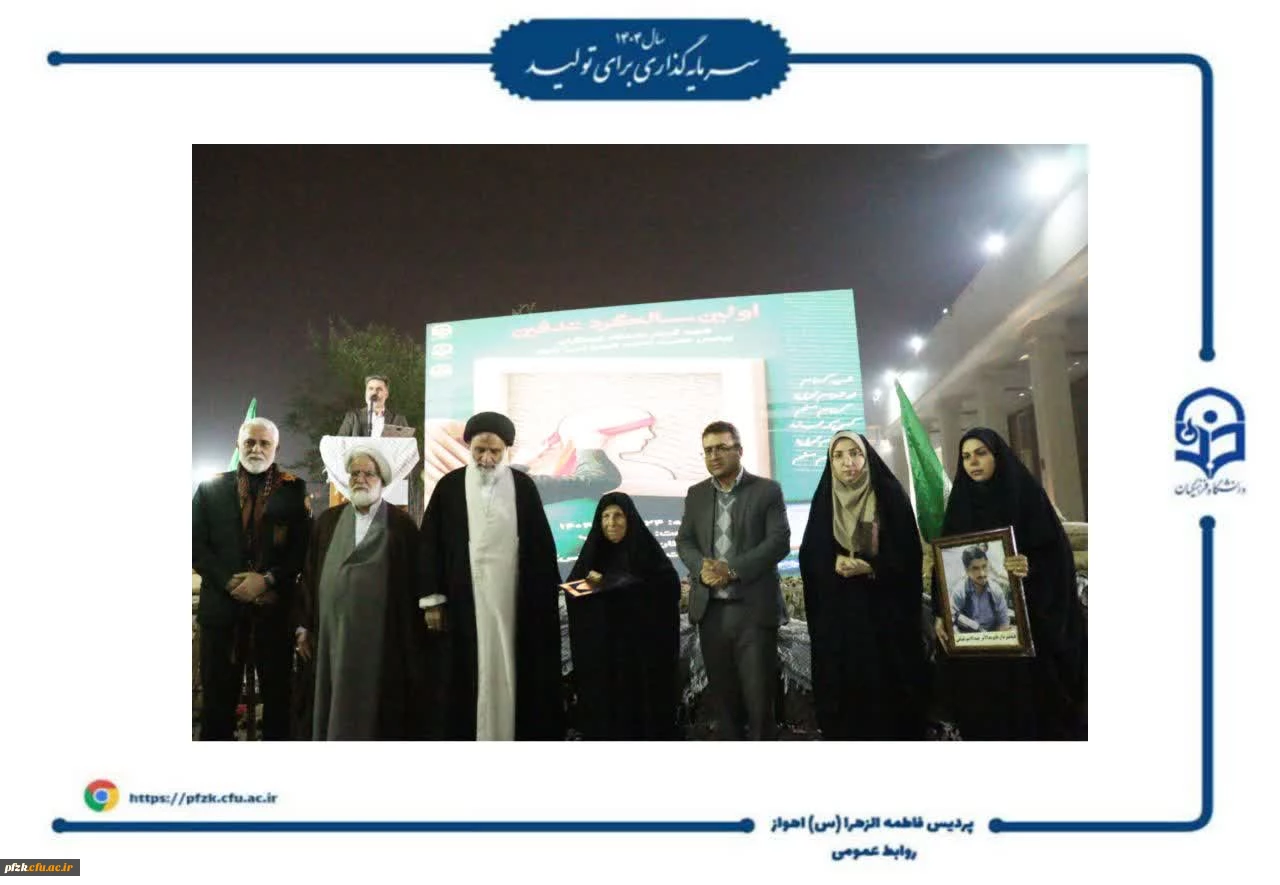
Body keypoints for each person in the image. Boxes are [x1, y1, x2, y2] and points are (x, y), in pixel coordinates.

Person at [418, 411, 565, 740]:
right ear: (469, 448)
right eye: (479, 450)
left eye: (494, 451)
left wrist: (542, 600)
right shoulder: (449, 486)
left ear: (506, 450)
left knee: (513, 665)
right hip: (462, 599)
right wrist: (433, 600)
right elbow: (430, 544)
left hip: (511, 598)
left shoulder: (523, 487)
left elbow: (541, 549)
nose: (486, 458)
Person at [933, 428, 1088, 740]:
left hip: (1030, 638)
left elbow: (1056, 559)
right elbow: (944, 568)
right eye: (966, 456)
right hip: (980, 650)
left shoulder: (1026, 499)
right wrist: (941, 612)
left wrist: (1029, 566)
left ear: (997, 456)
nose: (973, 462)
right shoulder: (960, 506)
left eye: (981, 453)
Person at [293, 447, 431, 739]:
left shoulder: (401, 527)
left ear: (382, 480)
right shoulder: (328, 522)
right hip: (332, 638)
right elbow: (310, 574)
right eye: (355, 473)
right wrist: (304, 625)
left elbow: (415, 583)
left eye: (368, 474)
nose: (360, 479)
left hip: (383, 643)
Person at [799, 431, 927, 740]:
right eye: (838, 456)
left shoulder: (890, 496)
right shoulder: (825, 502)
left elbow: (910, 555)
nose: (848, 462)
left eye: (855, 453)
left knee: (889, 696)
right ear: (830, 463)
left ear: (866, 457)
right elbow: (810, 556)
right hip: (840, 619)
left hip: (885, 617)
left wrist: (872, 567)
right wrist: (832, 563)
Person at [192, 417, 310, 740]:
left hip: (274, 616)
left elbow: (301, 551)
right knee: (217, 708)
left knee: (278, 706)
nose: (256, 448)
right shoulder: (211, 488)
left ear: (276, 449)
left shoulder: (293, 490)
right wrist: (229, 582)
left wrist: (267, 580)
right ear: (238, 445)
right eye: (250, 442)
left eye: (264, 443)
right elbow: (195, 545)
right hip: (221, 616)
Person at [675, 420, 790, 740]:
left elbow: (778, 541)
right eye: (708, 450)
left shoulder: (767, 490)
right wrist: (701, 566)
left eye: (721, 448)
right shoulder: (696, 494)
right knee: (724, 705)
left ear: (739, 450)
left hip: (753, 612)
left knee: (758, 703)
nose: (714, 456)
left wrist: (732, 569)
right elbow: (684, 540)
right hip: (711, 612)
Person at [565, 493, 681, 739]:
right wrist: (596, 590)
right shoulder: (592, 555)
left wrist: (629, 587)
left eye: (618, 515)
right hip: (604, 656)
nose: (611, 522)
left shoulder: (648, 554)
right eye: (605, 516)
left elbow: (669, 587)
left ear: (629, 519)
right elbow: (574, 594)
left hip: (641, 658)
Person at [421, 416, 621, 506]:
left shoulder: (440, 495)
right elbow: (600, 479)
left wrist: (519, 465)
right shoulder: (508, 485)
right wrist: (589, 446)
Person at [949, 547, 1011, 633]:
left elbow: (1004, 623)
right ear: (967, 570)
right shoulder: (959, 592)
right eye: (975, 568)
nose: (982, 573)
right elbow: (951, 620)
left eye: (984, 566)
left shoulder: (996, 590)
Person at [337, 374, 410, 437]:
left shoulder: (398, 420)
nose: (374, 393)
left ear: (386, 394)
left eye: (379, 389)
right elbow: (339, 443)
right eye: (370, 389)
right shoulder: (353, 417)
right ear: (365, 393)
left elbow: (407, 446)